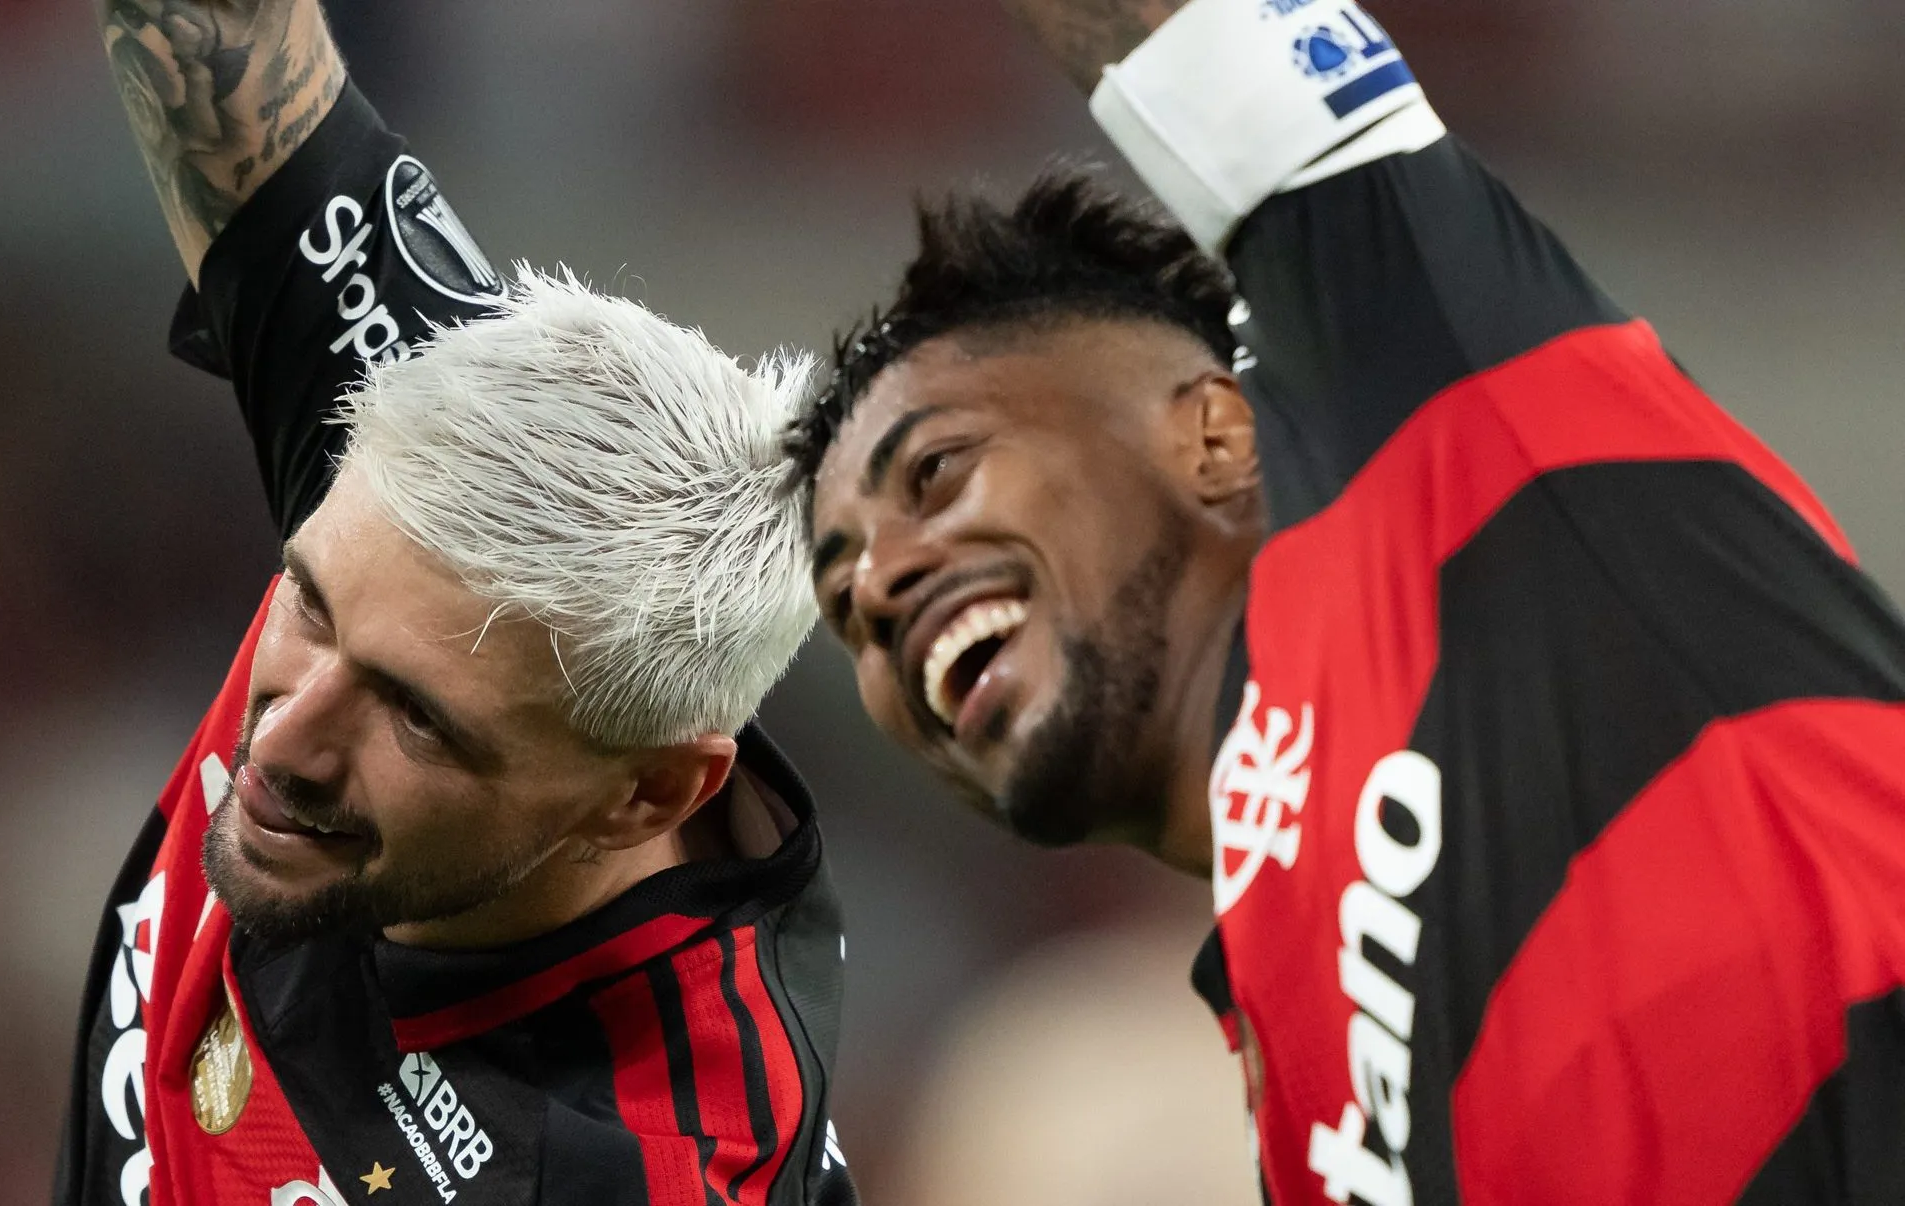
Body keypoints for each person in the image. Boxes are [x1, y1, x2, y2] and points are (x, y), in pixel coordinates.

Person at [792, 0, 1905, 1202]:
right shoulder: (1301, 1123)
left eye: (938, 472)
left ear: (1214, 433)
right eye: (847, 602)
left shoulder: (1455, 432)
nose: (885, 585)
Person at [54, 3, 857, 1204]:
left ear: (647, 792)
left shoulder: (617, 1175)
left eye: (418, 719)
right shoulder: (413, 428)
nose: (282, 738)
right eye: (312, 607)